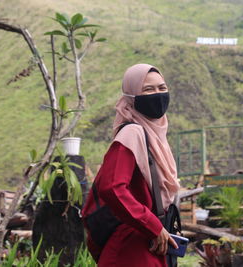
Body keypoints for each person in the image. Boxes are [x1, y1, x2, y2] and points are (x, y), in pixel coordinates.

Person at [82, 63, 181, 267]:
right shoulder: (132, 133)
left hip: (151, 242)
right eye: (148, 89)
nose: (158, 94)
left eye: (162, 88)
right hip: (132, 248)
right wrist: (152, 225)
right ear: (131, 96)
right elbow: (112, 187)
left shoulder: (156, 136)